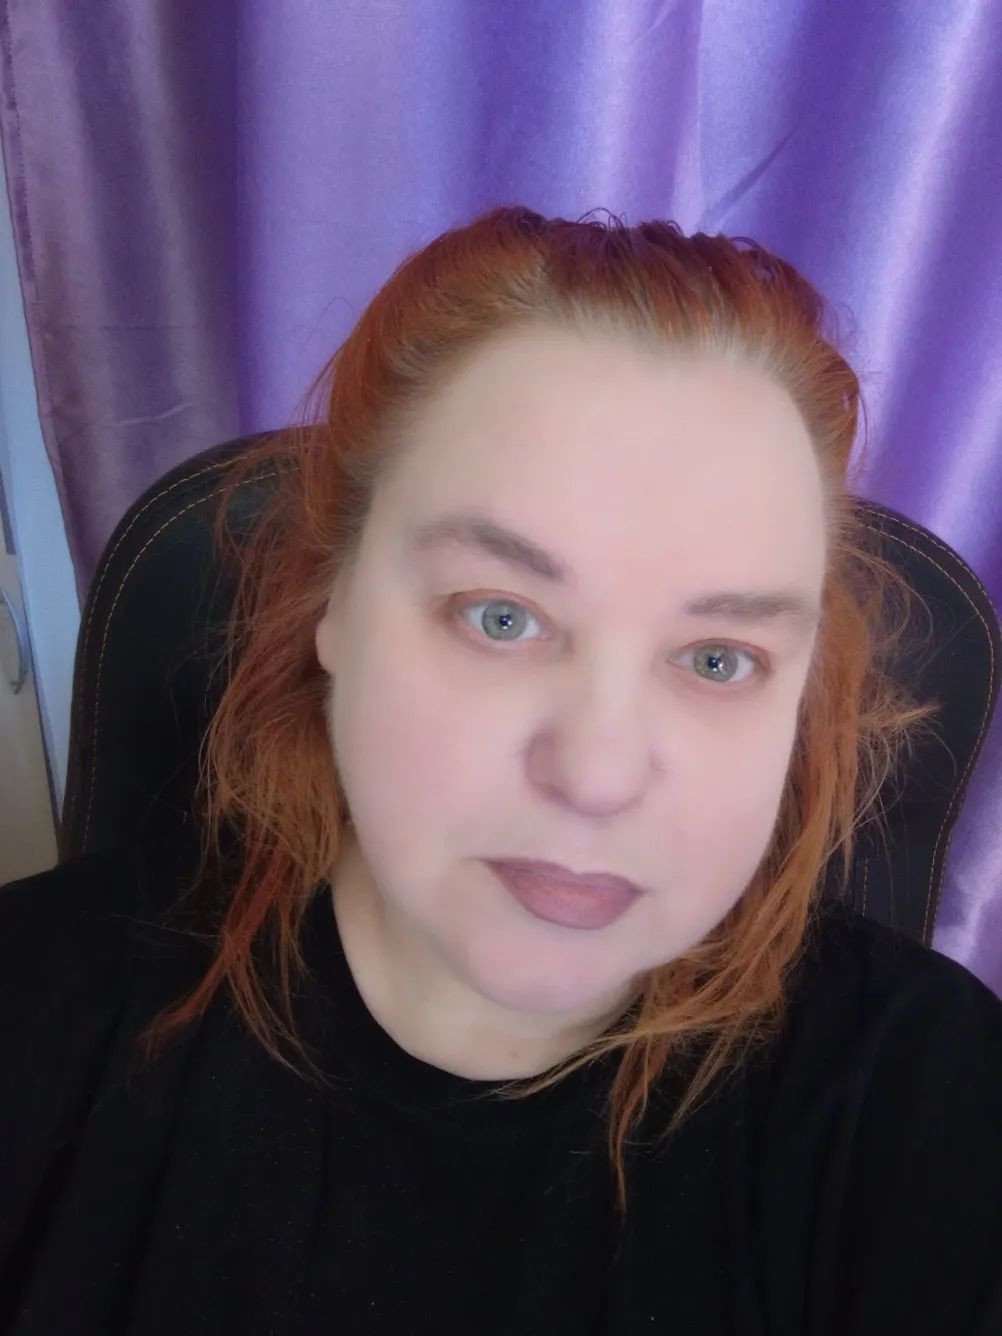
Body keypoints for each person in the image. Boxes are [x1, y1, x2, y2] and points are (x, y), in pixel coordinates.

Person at [2, 205, 1001, 1335]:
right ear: (331, 601)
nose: (598, 775)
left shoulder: (932, 1107)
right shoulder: (33, 1017)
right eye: (501, 616)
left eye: (718, 659)